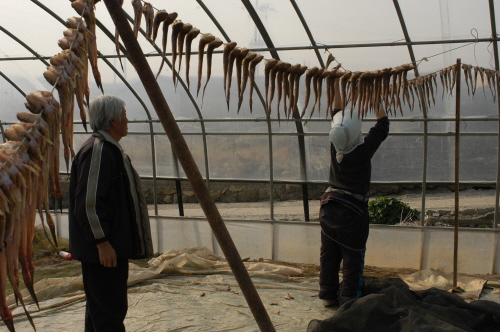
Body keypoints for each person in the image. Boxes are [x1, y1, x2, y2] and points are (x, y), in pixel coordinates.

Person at [68, 95, 154, 331]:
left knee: (100, 312)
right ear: (113, 120)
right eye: (124, 115)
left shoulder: (110, 150)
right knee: (109, 314)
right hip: (104, 252)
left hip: (109, 249)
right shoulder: (99, 150)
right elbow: (88, 202)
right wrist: (102, 242)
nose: (128, 120)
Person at [319, 78, 389, 307]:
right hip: (352, 213)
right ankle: (349, 300)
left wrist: (338, 83)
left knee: (329, 255)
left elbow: (336, 111)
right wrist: (373, 95)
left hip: (328, 209)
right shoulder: (363, 150)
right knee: (352, 258)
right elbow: (383, 125)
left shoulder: (334, 144)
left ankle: (328, 296)